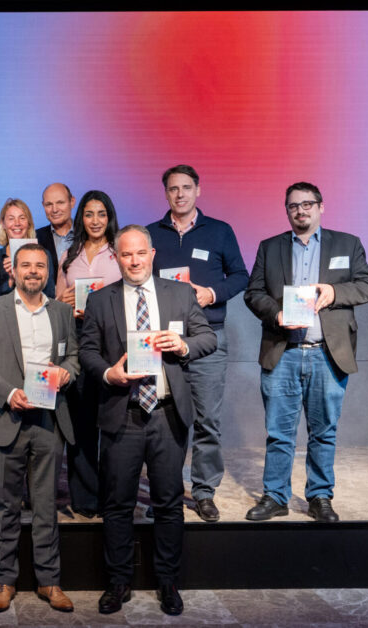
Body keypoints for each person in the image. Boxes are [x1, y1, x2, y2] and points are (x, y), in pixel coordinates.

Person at [80, 224, 216, 617]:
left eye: (141, 253)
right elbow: (87, 351)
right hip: (122, 413)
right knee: (117, 503)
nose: (134, 261)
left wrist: (184, 344)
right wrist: (109, 373)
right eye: (126, 254)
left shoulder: (179, 294)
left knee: (169, 502)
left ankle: (168, 581)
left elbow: (208, 338)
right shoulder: (100, 300)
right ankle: (118, 581)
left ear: (152, 255)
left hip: (167, 414)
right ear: (116, 258)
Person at [243, 182, 368, 523]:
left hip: (327, 353)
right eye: (293, 206)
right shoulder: (270, 247)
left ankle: (320, 496)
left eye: (307, 204)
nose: (300, 210)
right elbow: (253, 293)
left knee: (324, 431)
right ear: (287, 211)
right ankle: (276, 497)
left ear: (321, 207)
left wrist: (334, 292)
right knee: (279, 433)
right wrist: (276, 314)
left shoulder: (347, 244)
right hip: (283, 351)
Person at [0, 243, 80, 614]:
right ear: (12, 271)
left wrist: (67, 373)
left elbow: (73, 357)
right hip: (6, 419)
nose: (33, 271)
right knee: (7, 506)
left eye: (40, 266)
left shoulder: (61, 312)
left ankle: (49, 580)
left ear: (48, 271)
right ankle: (5, 580)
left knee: (46, 506)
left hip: (49, 421)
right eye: (26, 265)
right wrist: (8, 393)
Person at [146, 165, 248, 522]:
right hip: (162, 341)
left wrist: (212, 293)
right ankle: (167, 491)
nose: (180, 194)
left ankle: (204, 492)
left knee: (207, 421)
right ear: (166, 193)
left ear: (198, 190)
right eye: (173, 188)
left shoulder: (220, 231)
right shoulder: (150, 234)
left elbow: (241, 276)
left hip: (208, 337)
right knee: (167, 422)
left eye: (186, 187)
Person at [55, 189, 123, 518]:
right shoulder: (69, 255)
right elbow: (56, 303)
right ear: (80, 217)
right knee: (80, 424)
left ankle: (113, 495)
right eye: (89, 214)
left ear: (110, 217)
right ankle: (84, 498)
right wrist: (63, 302)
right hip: (77, 340)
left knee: (112, 423)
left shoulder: (120, 252)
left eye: (101, 214)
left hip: (114, 343)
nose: (95, 220)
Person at [35, 183, 77, 298]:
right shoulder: (34, 239)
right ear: (43, 206)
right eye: (49, 204)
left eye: (60, 203)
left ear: (72, 202)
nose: (54, 209)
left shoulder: (87, 234)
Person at [0, 198, 40, 295]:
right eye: (11, 219)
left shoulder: (43, 255)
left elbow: (49, 294)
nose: (17, 223)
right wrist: (11, 281)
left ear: (29, 223)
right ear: (3, 224)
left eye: (22, 218)